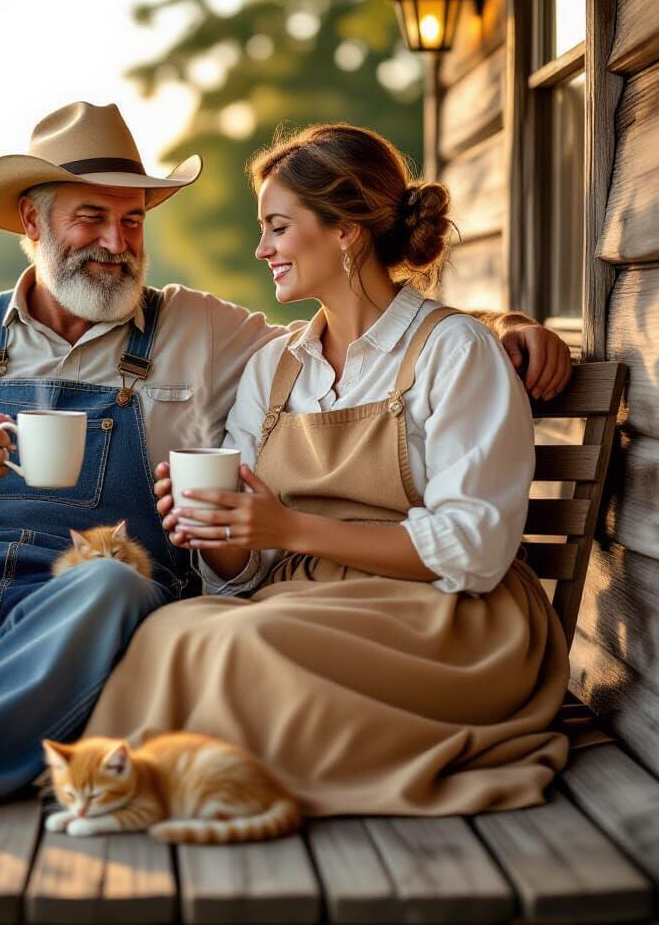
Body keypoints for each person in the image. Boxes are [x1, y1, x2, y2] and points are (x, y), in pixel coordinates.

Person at [0, 103, 570, 890]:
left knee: (107, 578)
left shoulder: (202, 329)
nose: (116, 241)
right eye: (92, 217)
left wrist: (501, 328)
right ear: (32, 220)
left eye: (133, 221)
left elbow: (361, 320)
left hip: (97, 601)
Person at [85, 122, 571, 816]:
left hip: (446, 618)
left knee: (247, 640)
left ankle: (204, 792)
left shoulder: (453, 351)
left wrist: (291, 526)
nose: (262, 250)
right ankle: (140, 794)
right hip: (313, 601)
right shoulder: (274, 367)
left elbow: (475, 551)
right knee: (173, 627)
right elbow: (247, 572)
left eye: (278, 228)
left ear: (346, 231)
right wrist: (220, 530)